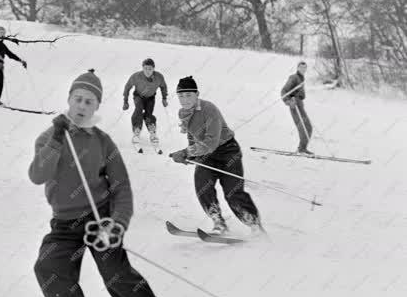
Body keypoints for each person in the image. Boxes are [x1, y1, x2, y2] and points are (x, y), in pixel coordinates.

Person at [28, 69, 170, 297]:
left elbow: (122, 188)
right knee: (49, 267)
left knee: (115, 274)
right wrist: (57, 138)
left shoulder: (102, 141)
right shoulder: (50, 136)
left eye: (89, 101)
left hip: (99, 221)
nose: (82, 106)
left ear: (96, 106)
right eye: (78, 99)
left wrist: (116, 224)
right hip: (65, 225)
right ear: (69, 100)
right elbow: (37, 174)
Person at [169, 76, 264, 236]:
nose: (185, 99)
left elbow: (211, 142)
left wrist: (186, 152)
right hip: (207, 156)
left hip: (227, 152)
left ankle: (254, 225)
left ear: (197, 94)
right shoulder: (184, 113)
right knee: (202, 186)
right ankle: (218, 222)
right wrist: (189, 157)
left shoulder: (209, 109)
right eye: (181, 96)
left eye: (189, 95)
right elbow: (193, 137)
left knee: (233, 193)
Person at [122, 58, 169, 145]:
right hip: (138, 96)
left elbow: (163, 87)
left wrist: (164, 98)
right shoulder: (136, 76)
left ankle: (152, 132)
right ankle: (137, 130)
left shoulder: (159, 77)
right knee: (138, 109)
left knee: (148, 114)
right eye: (145, 68)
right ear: (142, 68)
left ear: (153, 68)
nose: (147, 71)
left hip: (150, 98)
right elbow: (127, 87)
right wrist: (125, 101)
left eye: (150, 69)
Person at [0, 26, 26, 105]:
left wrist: (21, 60)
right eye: (1, 32)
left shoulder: (3, 45)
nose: (2, 34)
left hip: (1, 65)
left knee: (0, 83)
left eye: (3, 33)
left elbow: (10, 54)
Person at [281, 61, 313, 154]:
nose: (303, 69)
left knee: (308, 127)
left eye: (305, 68)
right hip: (294, 103)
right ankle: (301, 150)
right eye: (301, 67)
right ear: (297, 68)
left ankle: (302, 148)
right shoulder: (294, 77)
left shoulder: (301, 78)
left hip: (300, 104)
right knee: (302, 126)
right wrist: (288, 101)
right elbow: (284, 91)